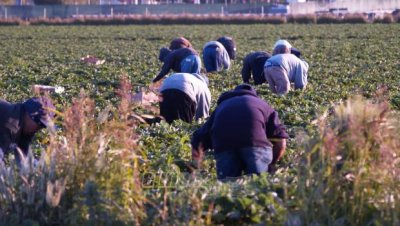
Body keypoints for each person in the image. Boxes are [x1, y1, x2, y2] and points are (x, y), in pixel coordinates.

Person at [191, 84, 288, 180]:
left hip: (224, 144)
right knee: (258, 185)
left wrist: (196, 168)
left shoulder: (221, 107)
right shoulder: (262, 104)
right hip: (254, 143)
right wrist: (271, 163)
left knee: (228, 187)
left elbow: (198, 138)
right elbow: (281, 141)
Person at [0, 96, 55, 162]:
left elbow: (24, 156)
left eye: (42, 126)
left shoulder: (24, 126)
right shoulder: (11, 121)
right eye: (39, 123)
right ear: (28, 115)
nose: (39, 128)